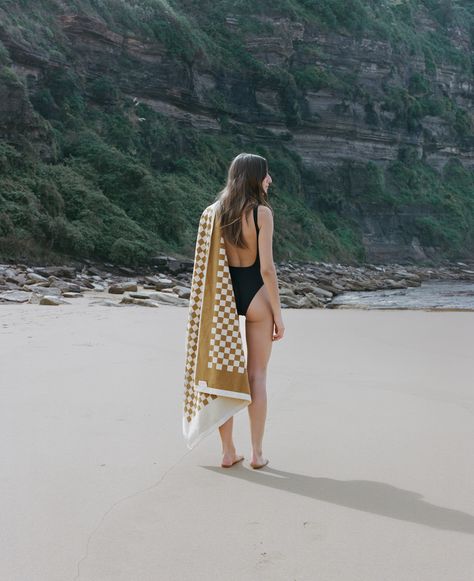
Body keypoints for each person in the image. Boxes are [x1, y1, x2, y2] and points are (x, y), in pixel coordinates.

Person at [214, 152, 285, 469]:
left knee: (224, 377)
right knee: (257, 376)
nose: (270, 179)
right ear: (256, 177)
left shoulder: (216, 212)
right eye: (267, 174)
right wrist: (278, 315)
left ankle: (229, 452)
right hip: (256, 294)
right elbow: (267, 269)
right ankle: (256, 454)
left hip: (226, 296)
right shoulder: (262, 214)